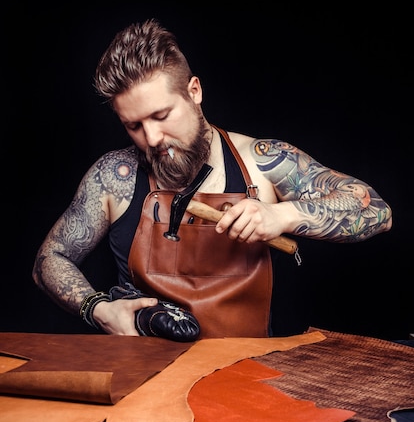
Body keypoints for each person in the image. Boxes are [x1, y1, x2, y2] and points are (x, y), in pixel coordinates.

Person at [32, 18, 392, 339]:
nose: (152, 138)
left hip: (248, 379)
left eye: (161, 115)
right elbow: (51, 258)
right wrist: (97, 308)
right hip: (142, 379)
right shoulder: (115, 177)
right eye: (134, 125)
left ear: (194, 92)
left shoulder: (261, 162)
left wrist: (282, 215)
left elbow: (376, 209)